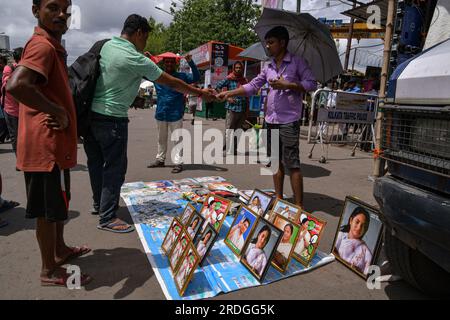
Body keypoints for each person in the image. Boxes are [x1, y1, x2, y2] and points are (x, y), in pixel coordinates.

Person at [84, 15, 215, 233]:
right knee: (114, 168)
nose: (145, 43)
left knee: (96, 164)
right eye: (145, 38)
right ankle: (107, 217)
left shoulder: (105, 45)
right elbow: (172, 83)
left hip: (90, 117)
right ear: (139, 34)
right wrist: (201, 93)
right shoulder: (136, 59)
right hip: (112, 120)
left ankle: (100, 204)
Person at [6, 0, 92, 287]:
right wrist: (57, 112)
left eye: (66, 9)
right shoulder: (42, 46)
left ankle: (60, 249)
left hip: (54, 146)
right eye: (52, 8)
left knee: (57, 204)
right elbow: (17, 85)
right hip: (43, 149)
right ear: (35, 10)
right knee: (45, 210)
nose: (61, 14)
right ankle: (48, 270)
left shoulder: (52, 46)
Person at [217, 26, 317, 208]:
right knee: (274, 161)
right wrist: (230, 93)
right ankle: (279, 198)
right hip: (270, 120)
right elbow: (252, 86)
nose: (268, 46)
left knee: (292, 163)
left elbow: (311, 84)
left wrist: (289, 84)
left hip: (289, 120)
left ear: (283, 43)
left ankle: (299, 205)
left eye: (271, 42)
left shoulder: (298, 62)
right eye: (267, 43)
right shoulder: (268, 66)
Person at [147, 54, 200, 174]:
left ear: (176, 64)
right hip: (161, 113)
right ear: (164, 63)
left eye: (172, 62)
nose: (169, 64)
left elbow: (196, 77)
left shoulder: (182, 76)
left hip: (176, 114)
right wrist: (149, 59)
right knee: (161, 139)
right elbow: (144, 71)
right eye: (167, 62)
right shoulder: (157, 75)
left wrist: (190, 62)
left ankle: (178, 163)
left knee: (177, 140)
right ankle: (160, 160)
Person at [215, 61, 248, 156]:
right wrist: (227, 98)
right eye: (236, 68)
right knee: (229, 129)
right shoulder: (229, 79)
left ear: (242, 69)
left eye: (239, 68)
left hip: (242, 108)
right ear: (233, 69)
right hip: (231, 108)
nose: (238, 69)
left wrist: (247, 110)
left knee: (238, 130)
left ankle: (234, 149)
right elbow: (217, 87)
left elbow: (246, 93)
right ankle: (224, 149)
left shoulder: (244, 80)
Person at [334, 206, 373, 275]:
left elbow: (368, 273)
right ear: (351, 221)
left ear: (365, 229)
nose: (359, 228)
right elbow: (333, 252)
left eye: (363, 225)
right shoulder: (340, 236)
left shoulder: (366, 251)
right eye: (357, 222)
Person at [1, 48, 23, 154]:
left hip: (23, 108)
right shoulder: (8, 68)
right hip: (11, 108)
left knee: (23, 135)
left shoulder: (25, 68)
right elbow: (9, 88)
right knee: (15, 135)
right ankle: (19, 159)